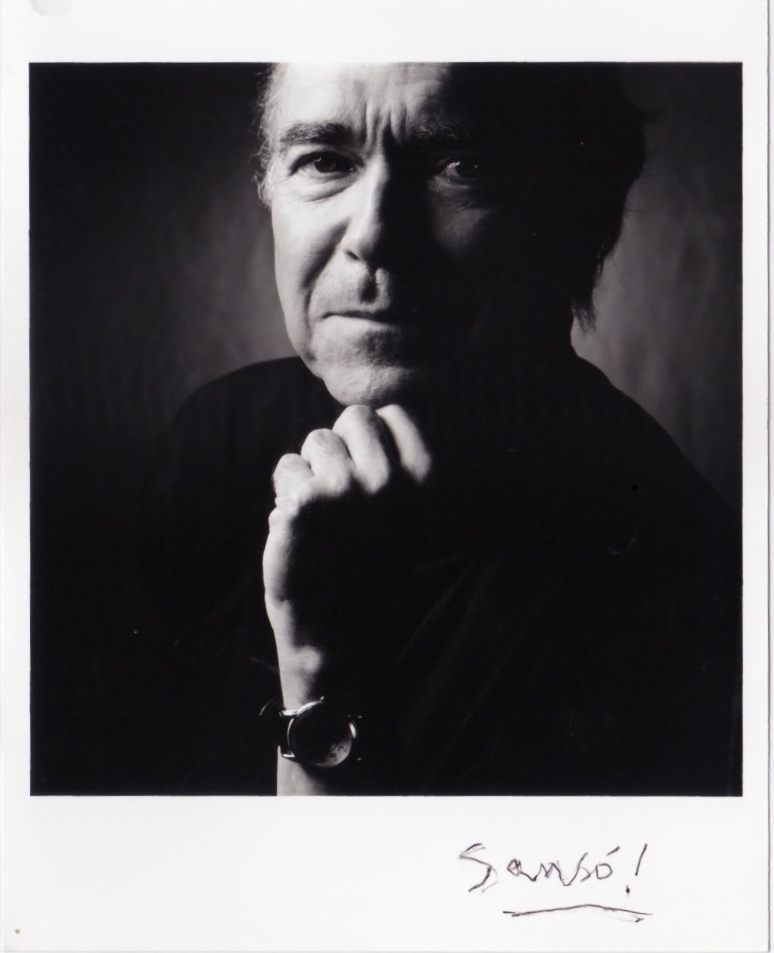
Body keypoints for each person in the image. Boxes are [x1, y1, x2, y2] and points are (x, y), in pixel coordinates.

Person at [127, 63, 741, 796]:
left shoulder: (675, 563)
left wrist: (323, 668)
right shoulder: (217, 438)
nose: (375, 235)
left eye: (462, 166)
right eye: (324, 162)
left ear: (574, 218)